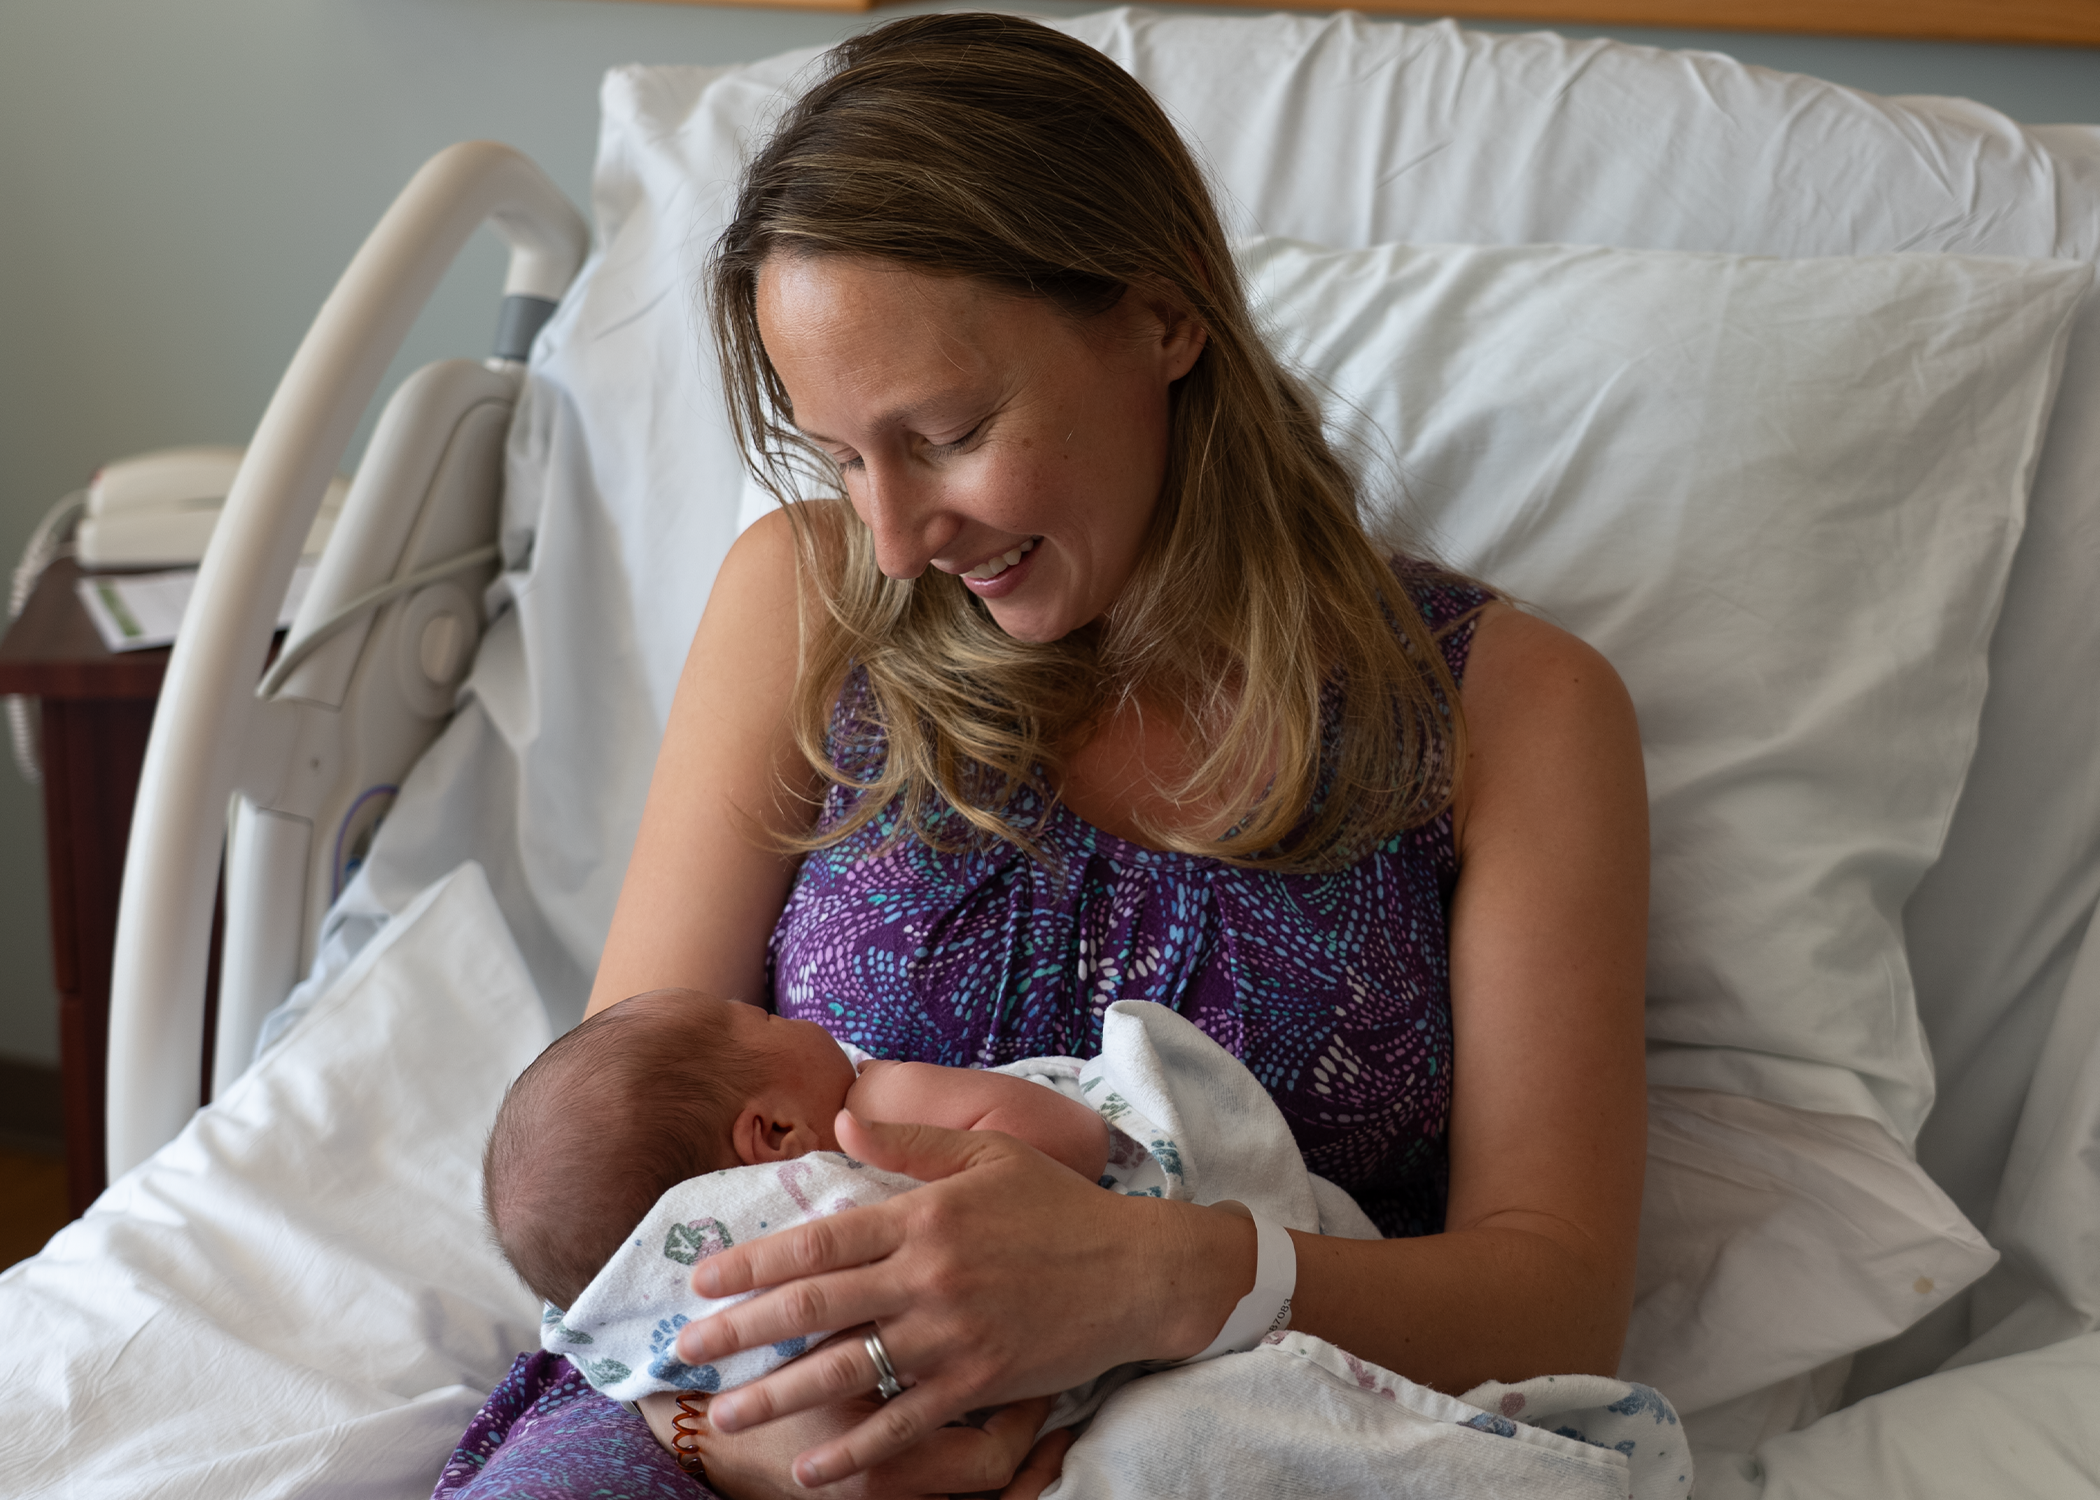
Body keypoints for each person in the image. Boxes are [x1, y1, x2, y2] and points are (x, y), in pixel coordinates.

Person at [457, 12, 1650, 1499]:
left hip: (1244, 1433)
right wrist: (743, 1442)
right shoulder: (811, 603)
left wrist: (1161, 1277)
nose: (895, 537)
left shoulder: (1505, 712)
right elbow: (623, 1195)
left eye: (947, 432)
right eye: (839, 456)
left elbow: (1556, 1301)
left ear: (1162, 320)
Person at [482, 986, 1110, 1319]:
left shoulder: (691, 1329)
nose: (786, 1015)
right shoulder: (880, 1107)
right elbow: (1081, 1145)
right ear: (777, 1133)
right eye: (765, 1018)